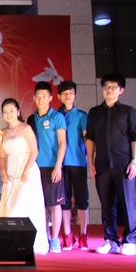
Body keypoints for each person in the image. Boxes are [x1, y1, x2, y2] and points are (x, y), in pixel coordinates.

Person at [87, 73, 136, 256]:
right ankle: (110, 240)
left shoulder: (128, 111)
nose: (109, 90)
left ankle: (129, 241)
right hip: (102, 165)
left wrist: (135, 161)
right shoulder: (94, 112)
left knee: (128, 204)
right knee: (107, 205)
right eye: (106, 87)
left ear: (121, 90)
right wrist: (90, 161)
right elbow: (90, 138)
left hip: (124, 165)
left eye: (113, 87)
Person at [0, 99, 49, 255]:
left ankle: (28, 243)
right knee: (9, 205)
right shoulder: (3, 132)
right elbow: (2, 156)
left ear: (18, 111)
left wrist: (25, 171)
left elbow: (34, 151)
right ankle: (10, 242)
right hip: (10, 172)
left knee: (24, 206)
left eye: (11, 111)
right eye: (5, 112)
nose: (8, 114)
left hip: (28, 171)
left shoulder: (26, 128)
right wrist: (3, 171)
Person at [27, 81, 67, 253]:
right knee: (40, 205)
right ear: (34, 98)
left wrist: (58, 166)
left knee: (55, 204)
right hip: (35, 168)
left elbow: (62, 142)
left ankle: (55, 239)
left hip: (52, 166)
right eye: (38, 96)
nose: (41, 99)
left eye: (44, 96)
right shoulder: (31, 119)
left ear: (50, 98)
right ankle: (44, 237)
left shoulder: (57, 117)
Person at [58, 80, 90, 250]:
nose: (68, 96)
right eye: (64, 93)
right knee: (64, 201)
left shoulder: (82, 116)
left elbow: (87, 138)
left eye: (71, 92)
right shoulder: (56, 116)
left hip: (78, 163)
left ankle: (83, 235)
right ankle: (67, 235)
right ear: (59, 96)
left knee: (82, 200)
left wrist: (90, 158)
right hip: (60, 165)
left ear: (75, 95)